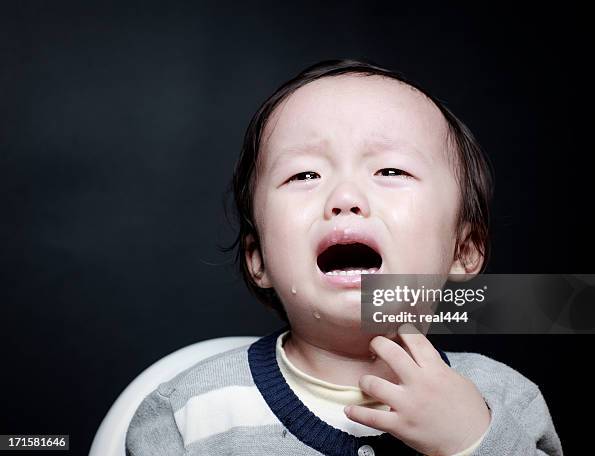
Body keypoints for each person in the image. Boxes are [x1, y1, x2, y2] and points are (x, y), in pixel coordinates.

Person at [125, 59, 563, 455]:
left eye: (391, 171)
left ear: (463, 250)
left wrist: (474, 442)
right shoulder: (189, 412)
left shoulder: (503, 400)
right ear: (257, 257)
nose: (346, 197)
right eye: (305, 174)